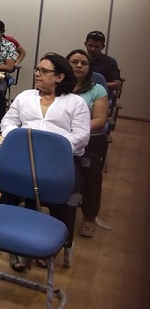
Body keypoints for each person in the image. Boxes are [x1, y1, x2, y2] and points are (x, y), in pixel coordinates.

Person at [0, 53, 90, 271]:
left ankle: (51, 244)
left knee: (55, 195)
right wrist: (17, 139)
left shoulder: (75, 103)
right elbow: (8, 121)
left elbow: (81, 136)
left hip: (58, 163)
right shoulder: (25, 97)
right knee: (11, 188)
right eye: (37, 70)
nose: (37, 74)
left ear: (59, 77)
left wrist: (51, 149)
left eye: (44, 71)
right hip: (25, 157)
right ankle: (13, 241)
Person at [67, 49, 110, 238]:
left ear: (89, 68)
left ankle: (89, 216)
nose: (79, 65)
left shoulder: (97, 89)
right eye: (74, 62)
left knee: (92, 166)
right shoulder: (58, 85)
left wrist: (75, 129)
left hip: (86, 139)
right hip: (59, 137)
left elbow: (100, 120)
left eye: (84, 63)